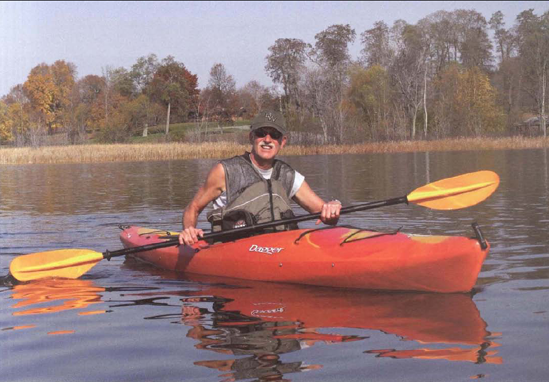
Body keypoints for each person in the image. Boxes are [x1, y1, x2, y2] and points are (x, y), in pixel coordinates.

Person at [179, 110, 342, 246]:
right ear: (251, 137)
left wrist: (333, 206)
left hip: (280, 249)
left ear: (282, 141)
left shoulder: (290, 176)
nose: (267, 140)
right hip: (234, 250)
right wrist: (189, 230)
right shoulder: (224, 171)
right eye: (261, 134)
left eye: (275, 135)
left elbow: (326, 216)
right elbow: (192, 208)